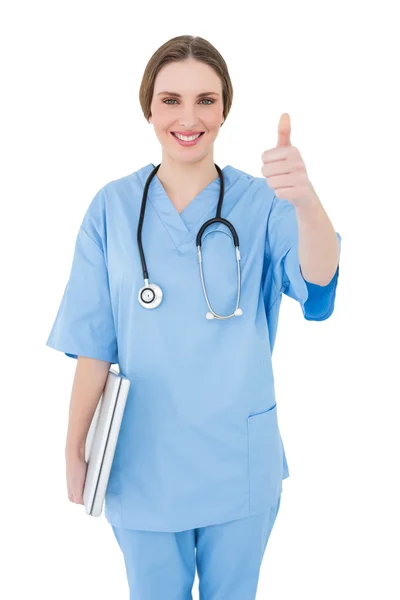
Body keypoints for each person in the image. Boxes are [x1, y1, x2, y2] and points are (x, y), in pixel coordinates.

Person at [46, 35, 341, 600]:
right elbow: (93, 343)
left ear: (224, 109)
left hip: (238, 461)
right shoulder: (111, 207)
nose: (188, 117)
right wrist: (73, 447)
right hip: (140, 461)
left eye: (205, 100)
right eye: (170, 100)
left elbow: (321, 282)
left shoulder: (264, 203)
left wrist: (305, 199)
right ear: (148, 109)